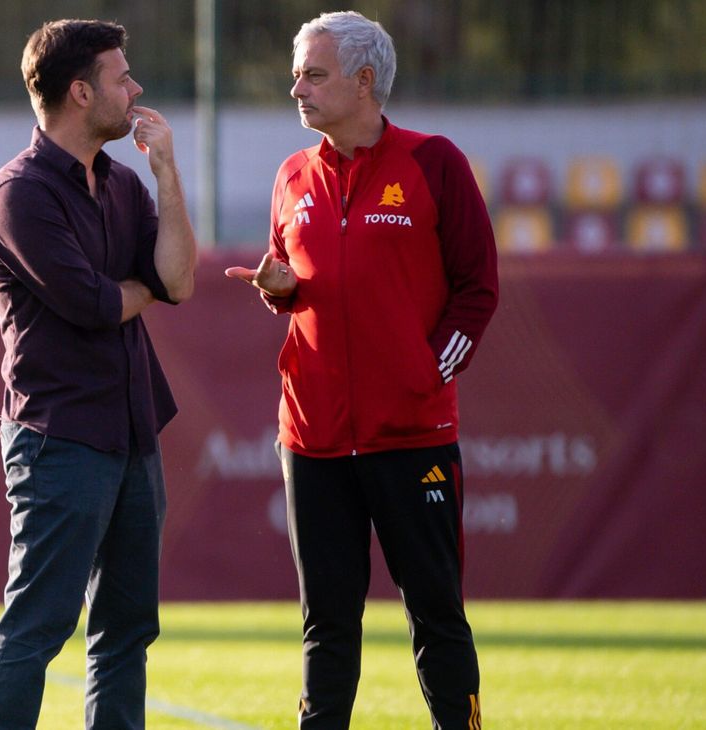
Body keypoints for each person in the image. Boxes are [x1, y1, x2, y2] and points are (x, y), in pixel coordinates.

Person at [225, 11, 498, 730]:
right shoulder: (291, 174)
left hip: (411, 434)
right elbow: (302, 285)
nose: (297, 89)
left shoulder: (435, 162)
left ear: (365, 81)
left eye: (313, 74)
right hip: (312, 440)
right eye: (296, 74)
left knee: (436, 612)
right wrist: (279, 290)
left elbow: (478, 288)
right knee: (327, 623)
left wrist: (425, 374)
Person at [0, 18, 196, 729]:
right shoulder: (21, 194)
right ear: (79, 92)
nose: (135, 90)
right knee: (38, 626)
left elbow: (179, 281)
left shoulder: (128, 184)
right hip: (58, 438)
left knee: (126, 630)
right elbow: (99, 304)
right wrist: (141, 292)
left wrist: (166, 173)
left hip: (132, 433)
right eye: (120, 76)